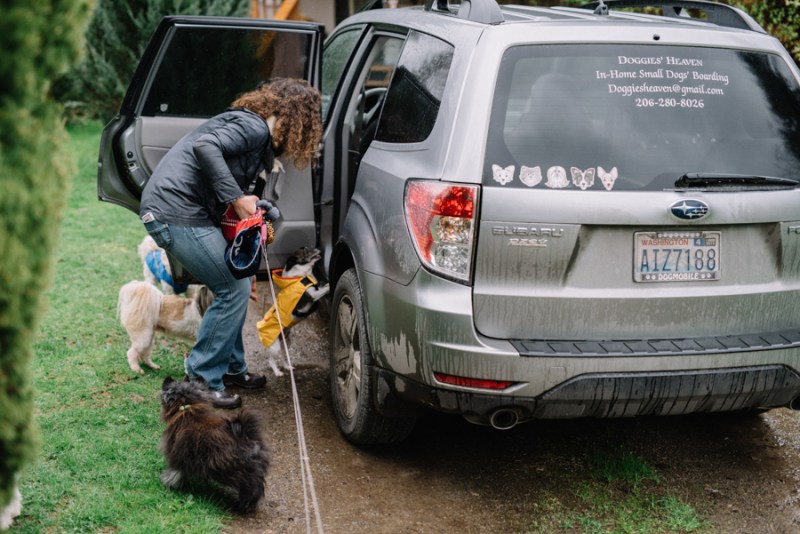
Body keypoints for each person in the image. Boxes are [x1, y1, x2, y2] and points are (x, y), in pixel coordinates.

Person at [139, 78, 323, 408]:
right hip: (174, 212)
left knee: (236, 282)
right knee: (231, 289)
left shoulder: (253, 129)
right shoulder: (253, 126)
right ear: (297, 119)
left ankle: (232, 369)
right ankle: (201, 379)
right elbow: (204, 147)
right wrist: (237, 198)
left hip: (182, 210)